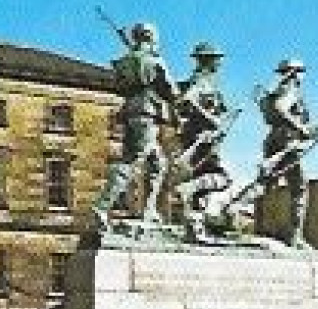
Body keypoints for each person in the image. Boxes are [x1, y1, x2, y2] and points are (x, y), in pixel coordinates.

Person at [92, 21, 179, 229]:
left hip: (130, 113)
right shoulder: (154, 61)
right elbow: (172, 91)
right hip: (147, 114)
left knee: (157, 163)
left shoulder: (123, 62)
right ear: (150, 38)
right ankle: (102, 206)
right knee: (132, 162)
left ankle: (148, 210)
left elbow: (120, 86)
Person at [172, 41, 234, 238]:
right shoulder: (200, 80)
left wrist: (222, 119)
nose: (219, 64)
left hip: (204, 137)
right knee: (222, 179)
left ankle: (195, 228)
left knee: (201, 191)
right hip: (200, 138)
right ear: (208, 61)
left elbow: (220, 109)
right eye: (216, 59)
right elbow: (187, 100)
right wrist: (211, 119)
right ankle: (187, 189)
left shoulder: (211, 83)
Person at [258, 57, 318, 248]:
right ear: (294, 73)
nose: (302, 76)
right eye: (301, 71)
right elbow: (280, 109)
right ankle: (295, 237)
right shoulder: (290, 90)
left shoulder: (276, 90)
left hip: (274, 141)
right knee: (299, 188)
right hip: (286, 143)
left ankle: (268, 229)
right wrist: (301, 128)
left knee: (270, 183)